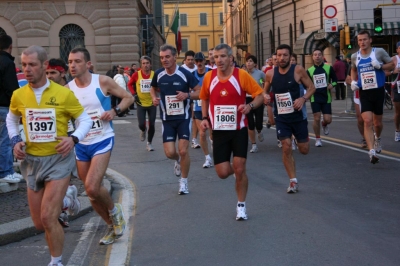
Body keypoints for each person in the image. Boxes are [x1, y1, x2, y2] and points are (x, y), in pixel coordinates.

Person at [6, 45, 92, 266]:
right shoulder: (18, 94)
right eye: (23, 65)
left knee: (48, 217)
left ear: (44, 66)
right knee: (38, 223)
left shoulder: (63, 93)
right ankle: (67, 199)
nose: (27, 69)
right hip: (32, 162)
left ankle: (56, 261)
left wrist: (73, 138)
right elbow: (11, 118)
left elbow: (85, 120)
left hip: (58, 161)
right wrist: (15, 140)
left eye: (32, 65)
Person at [67, 47, 134, 245]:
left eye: (77, 61)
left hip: (102, 138)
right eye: (70, 61)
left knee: (91, 185)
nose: (72, 65)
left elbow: (128, 98)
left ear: (87, 64)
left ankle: (115, 211)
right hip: (81, 143)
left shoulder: (102, 81)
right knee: (91, 193)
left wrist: (114, 111)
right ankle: (112, 226)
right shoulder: (67, 89)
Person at [200, 43, 264, 220]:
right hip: (219, 131)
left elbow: (259, 95)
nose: (219, 60)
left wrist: (250, 106)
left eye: (222, 56)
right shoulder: (209, 77)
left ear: (230, 58)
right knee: (222, 172)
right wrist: (205, 119)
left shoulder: (241, 75)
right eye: (216, 57)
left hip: (239, 129)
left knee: (240, 167)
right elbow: (204, 98)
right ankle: (238, 173)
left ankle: (241, 206)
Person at [264, 44, 316, 193]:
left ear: (290, 57)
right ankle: (293, 181)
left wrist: (303, 98)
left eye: (285, 55)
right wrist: (266, 96)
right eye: (279, 55)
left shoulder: (298, 70)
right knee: (286, 146)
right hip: (282, 117)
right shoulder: (270, 74)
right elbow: (264, 91)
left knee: (304, 150)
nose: (281, 58)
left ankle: (297, 139)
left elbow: (312, 87)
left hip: (298, 116)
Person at [150, 44, 201, 195]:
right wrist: (154, 98)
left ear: (174, 57)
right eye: (161, 57)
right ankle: (177, 160)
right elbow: (153, 88)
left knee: (183, 150)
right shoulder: (159, 74)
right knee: (170, 153)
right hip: (167, 120)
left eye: (167, 57)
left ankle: (183, 182)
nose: (164, 60)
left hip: (184, 118)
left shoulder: (185, 74)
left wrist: (187, 95)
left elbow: (200, 91)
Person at [46, 58, 81, 228]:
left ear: (62, 73)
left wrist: (75, 137)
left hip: (68, 137)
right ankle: (68, 201)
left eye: (53, 72)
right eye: (47, 73)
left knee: (60, 179)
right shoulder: (43, 90)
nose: (49, 76)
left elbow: (82, 117)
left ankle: (63, 208)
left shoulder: (71, 91)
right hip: (48, 139)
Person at [350, 30, 394, 163]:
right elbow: (353, 68)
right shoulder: (355, 56)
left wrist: (380, 66)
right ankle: (371, 152)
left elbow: (392, 65)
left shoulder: (378, 52)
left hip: (378, 91)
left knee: (377, 123)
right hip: (365, 92)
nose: (362, 42)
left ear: (370, 40)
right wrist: (353, 81)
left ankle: (378, 138)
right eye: (359, 40)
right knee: (368, 121)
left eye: (364, 39)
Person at [0, 34, 23, 183]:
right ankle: (6, 171)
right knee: (5, 140)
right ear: (10, 47)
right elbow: (12, 89)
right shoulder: (7, 63)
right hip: (4, 107)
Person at [307, 48, 337, 147]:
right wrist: (309, 89)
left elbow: (336, 80)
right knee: (316, 117)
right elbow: (306, 84)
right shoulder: (309, 70)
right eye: (315, 55)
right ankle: (318, 139)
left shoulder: (328, 68)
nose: (317, 56)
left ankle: (324, 124)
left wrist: (331, 85)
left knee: (328, 119)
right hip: (314, 97)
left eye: (319, 54)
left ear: (322, 56)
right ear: (312, 57)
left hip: (326, 97)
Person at [127, 55, 156, 151]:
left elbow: (159, 86)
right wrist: (134, 94)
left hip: (152, 103)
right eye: (144, 63)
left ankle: (149, 143)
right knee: (141, 124)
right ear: (141, 65)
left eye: (147, 63)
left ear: (150, 64)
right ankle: (143, 130)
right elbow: (129, 84)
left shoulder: (154, 74)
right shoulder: (136, 74)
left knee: (152, 124)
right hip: (140, 103)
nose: (146, 65)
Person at [192, 52, 213, 167]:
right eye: (197, 61)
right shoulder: (192, 75)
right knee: (202, 133)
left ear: (205, 61)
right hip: (198, 107)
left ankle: (213, 143)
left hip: (212, 107)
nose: (199, 63)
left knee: (212, 133)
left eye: (201, 61)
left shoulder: (211, 73)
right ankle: (207, 158)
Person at [245, 55, 266, 153]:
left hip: (258, 99)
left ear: (255, 64)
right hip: (247, 99)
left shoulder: (260, 74)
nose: (248, 63)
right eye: (247, 61)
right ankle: (254, 144)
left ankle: (260, 130)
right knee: (250, 123)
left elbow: (267, 82)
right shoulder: (244, 74)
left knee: (258, 122)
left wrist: (264, 94)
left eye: (250, 61)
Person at [390, 41, 400, 142]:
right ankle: (397, 131)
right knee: (398, 112)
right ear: (397, 49)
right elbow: (384, 71)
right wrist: (393, 71)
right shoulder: (394, 59)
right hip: (397, 87)